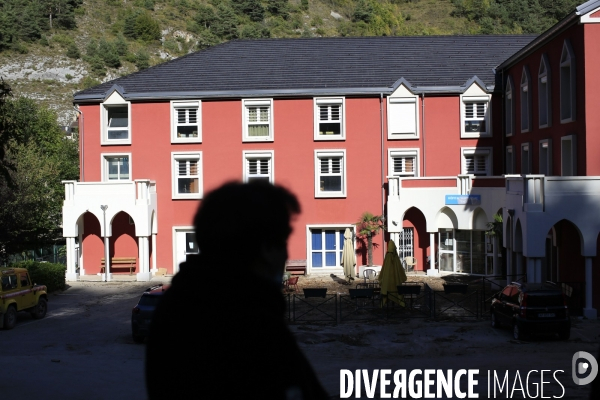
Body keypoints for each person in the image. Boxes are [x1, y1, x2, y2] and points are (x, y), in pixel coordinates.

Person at [146, 181, 329, 400]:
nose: (285, 255)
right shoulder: (251, 321)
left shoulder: (177, 306)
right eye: (282, 242)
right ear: (266, 249)